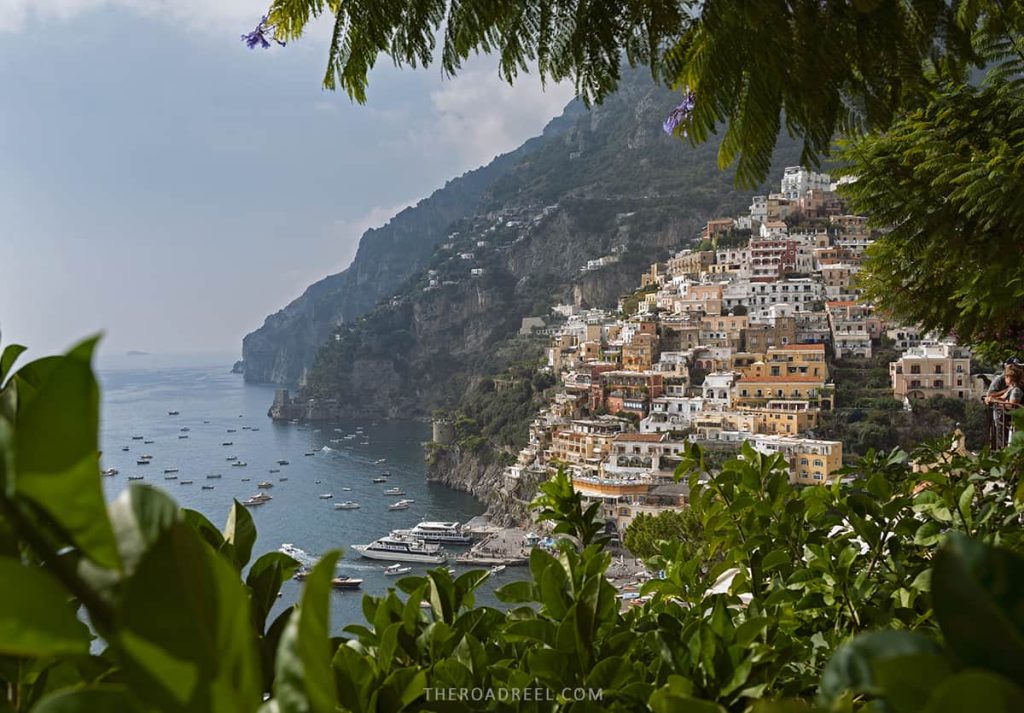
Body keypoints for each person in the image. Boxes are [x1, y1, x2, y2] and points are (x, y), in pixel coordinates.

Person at [988, 363, 1023, 447]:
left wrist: (994, 401)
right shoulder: (1011, 389)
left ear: (1010, 378)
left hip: (1015, 423)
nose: (1005, 379)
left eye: (1006, 377)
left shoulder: (1016, 390)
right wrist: (991, 399)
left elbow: (1012, 405)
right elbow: (1002, 398)